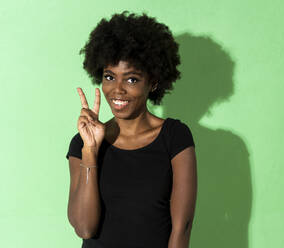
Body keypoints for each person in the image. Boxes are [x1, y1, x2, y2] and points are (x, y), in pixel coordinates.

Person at [65, 11, 197, 248]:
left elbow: (182, 228)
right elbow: (84, 227)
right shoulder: (82, 144)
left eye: (132, 79)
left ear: (153, 81)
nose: (117, 90)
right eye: (109, 76)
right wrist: (90, 151)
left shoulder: (174, 138)